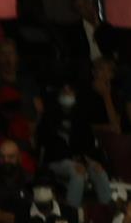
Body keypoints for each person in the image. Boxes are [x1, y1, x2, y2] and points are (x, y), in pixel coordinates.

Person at [35, 81, 111, 209]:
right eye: (64, 92)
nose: (67, 94)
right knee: (77, 173)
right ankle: (72, 212)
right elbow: (47, 142)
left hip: (81, 159)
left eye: (70, 92)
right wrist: (75, 161)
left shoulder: (81, 116)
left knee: (100, 172)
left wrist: (90, 161)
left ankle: (106, 211)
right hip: (56, 160)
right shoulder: (49, 115)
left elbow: (88, 144)